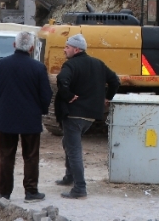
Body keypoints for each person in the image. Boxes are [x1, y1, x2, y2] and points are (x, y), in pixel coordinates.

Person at [0, 31, 52, 203]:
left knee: (6, 156)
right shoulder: (38, 68)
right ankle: (31, 192)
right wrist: (40, 110)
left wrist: (1, 107)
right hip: (30, 119)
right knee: (31, 156)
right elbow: (46, 95)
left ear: (14, 45)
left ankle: (4, 193)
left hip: (6, 118)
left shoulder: (1, 65)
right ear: (31, 48)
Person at [54, 34, 120, 199]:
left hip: (74, 115)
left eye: (67, 47)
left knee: (74, 150)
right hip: (91, 116)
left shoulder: (71, 65)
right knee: (67, 142)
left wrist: (68, 96)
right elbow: (115, 80)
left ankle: (79, 188)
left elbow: (62, 80)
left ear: (76, 49)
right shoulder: (98, 64)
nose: (64, 50)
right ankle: (70, 176)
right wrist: (108, 97)